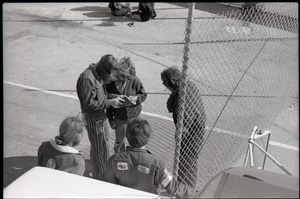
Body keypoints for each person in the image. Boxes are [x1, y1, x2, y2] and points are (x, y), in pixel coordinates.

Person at [103, 117, 196, 198]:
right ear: (148, 138)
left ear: (127, 137)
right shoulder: (157, 164)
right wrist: (194, 194)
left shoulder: (114, 160)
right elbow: (172, 187)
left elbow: (107, 186)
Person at [76, 54, 125, 180]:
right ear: (104, 70)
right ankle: (100, 178)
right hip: (94, 119)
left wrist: (113, 97)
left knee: (103, 147)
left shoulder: (97, 75)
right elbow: (88, 104)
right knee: (99, 150)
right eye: (109, 77)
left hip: (100, 117)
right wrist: (109, 103)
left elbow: (102, 95)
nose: (109, 80)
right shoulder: (87, 79)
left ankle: (102, 172)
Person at [161, 66, 206, 188]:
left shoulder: (184, 93)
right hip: (194, 126)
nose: (163, 84)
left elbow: (186, 116)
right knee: (184, 158)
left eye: (164, 81)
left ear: (172, 81)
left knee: (188, 159)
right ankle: (183, 183)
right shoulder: (183, 87)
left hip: (193, 130)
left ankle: (187, 188)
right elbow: (170, 107)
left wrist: (180, 135)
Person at [106, 57, 147, 153]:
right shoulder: (110, 83)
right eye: (124, 77)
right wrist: (110, 119)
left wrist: (136, 99)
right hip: (120, 118)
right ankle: (120, 158)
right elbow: (108, 102)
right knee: (119, 141)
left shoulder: (135, 80)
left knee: (136, 138)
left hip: (134, 116)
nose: (126, 80)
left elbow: (143, 95)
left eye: (128, 78)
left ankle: (135, 157)